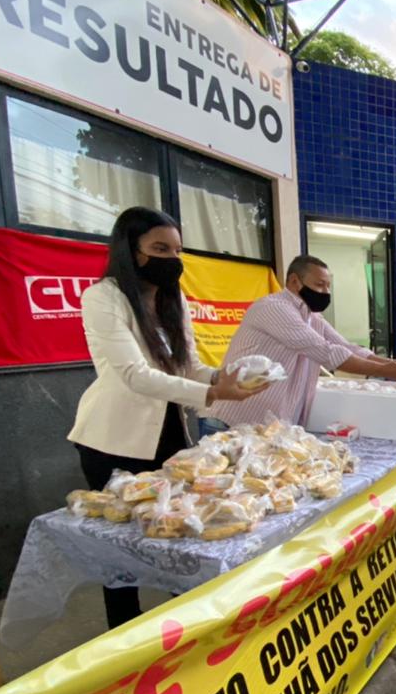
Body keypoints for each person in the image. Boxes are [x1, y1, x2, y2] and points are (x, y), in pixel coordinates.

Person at [68, 207, 266, 628]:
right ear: (130, 249)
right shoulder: (103, 297)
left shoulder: (172, 299)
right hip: (112, 440)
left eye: (177, 249)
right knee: (122, 544)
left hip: (171, 437)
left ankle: (185, 624)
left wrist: (223, 377)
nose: (172, 258)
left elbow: (186, 366)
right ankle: (124, 632)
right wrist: (214, 391)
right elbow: (135, 375)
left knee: (180, 530)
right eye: (160, 248)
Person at [204, 255, 396, 431]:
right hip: (232, 422)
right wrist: (387, 369)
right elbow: (326, 352)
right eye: (319, 285)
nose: (325, 292)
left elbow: (348, 347)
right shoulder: (274, 308)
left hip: (269, 428)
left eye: (328, 286)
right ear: (295, 282)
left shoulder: (312, 317)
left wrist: (391, 364)